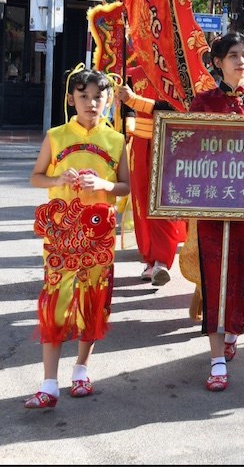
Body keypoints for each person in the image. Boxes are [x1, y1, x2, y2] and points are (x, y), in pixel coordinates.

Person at [25, 68, 130, 409]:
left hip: (98, 234)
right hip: (61, 232)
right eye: (83, 96)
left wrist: (104, 186)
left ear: (108, 100)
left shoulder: (116, 140)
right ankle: (49, 383)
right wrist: (57, 179)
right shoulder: (56, 136)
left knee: (93, 303)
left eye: (98, 97)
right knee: (55, 304)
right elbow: (36, 178)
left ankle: (82, 369)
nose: (91, 103)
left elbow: (127, 186)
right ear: (71, 99)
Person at [189, 32, 244, 392]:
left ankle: (235, 328)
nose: (241, 61)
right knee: (214, 273)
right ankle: (216, 359)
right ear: (218, 63)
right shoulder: (203, 101)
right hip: (213, 199)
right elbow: (190, 147)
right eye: (233, 55)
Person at [119, 68, 187, 287]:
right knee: (141, 201)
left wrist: (137, 102)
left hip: (170, 140)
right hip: (139, 142)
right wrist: (127, 122)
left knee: (164, 201)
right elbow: (126, 108)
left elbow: (178, 106)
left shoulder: (178, 71)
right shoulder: (131, 73)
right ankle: (148, 258)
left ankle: (162, 260)